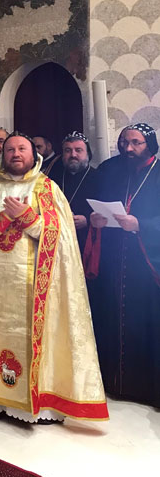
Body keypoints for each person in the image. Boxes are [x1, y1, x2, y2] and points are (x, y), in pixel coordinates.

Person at [0, 131, 107, 424]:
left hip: (35, 286)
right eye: (10, 149)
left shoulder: (46, 188)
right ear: (3, 156)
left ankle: (37, 403)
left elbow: (61, 236)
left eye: (21, 149)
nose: (15, 154)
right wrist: (1, 219)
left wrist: (27, 217)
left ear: (33, 154)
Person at [85, 123, 160, 407]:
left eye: (135, 143)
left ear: (149, 145)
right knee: (112, 318)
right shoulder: (112, 170)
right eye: (124, 143)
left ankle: (146, 389)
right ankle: (114, 382)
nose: (128, 148)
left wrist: (140, 224)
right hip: (115, 262)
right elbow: (98, 206)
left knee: (147, 325)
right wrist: (96, 220)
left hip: (146, 267)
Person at [48, 131, 98, 253]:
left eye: (78, 150)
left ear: (88, 154)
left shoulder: (99, 178)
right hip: (57, 238)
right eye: (68, 150)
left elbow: (106, 211)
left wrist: (87, 220)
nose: (73, 155)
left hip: (86, 241)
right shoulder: (52, 177)